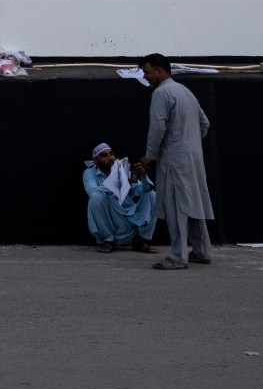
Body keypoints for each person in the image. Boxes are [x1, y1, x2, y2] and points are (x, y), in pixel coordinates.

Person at [134, 55, 215, 270]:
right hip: (193, 156)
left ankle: (178, 256)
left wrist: (150, 155)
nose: (145, 76)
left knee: (176, 205)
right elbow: (204, 123)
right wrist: (191, 142)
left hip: (175, 158)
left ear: (160, 71)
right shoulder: (185, 92)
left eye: (148, 72)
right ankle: (202, 250)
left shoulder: (161, 93)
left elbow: (158, 127)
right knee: (194, 203)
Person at [82, 142, 156, 252]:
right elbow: (92, 191)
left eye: (111, 154)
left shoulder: (123, 170)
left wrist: (144, 176)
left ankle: (141, 241)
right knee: (96, 197)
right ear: (96, 161)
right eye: (104, 155)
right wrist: (116, 184)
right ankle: (108, 241)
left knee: (152, 194)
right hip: (111, 224)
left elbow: (143, 191)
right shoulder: (89, 173)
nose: (110, 158)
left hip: (130, 222)